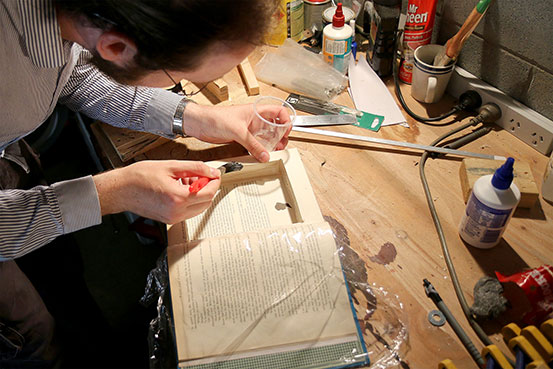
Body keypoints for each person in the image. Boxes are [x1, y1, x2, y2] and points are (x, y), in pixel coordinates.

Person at [0, 0, 289, 365]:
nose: (184, 86)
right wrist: (111, 192)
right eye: (181, 78)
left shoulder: (69, 19)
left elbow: (70, 74)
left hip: (9, 153)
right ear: (118, 47)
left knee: (58, 269)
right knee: (31, 335)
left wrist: (196, 117)